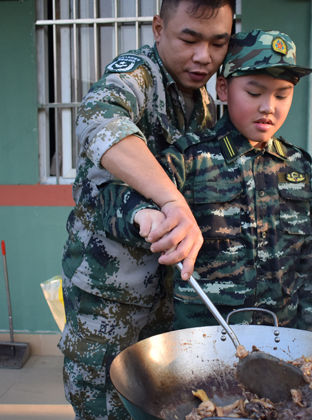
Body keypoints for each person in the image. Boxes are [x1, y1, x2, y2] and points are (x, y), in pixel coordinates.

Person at [59, 0, 234, 419]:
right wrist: (172, 200)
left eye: (218, 43)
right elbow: (98, 119)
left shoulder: (204, 105)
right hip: (109, 298)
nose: (203, 56)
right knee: (106, 408)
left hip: (167, 295)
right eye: (189, 38)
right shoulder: (137, 73)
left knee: (159, 406)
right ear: (158, 28)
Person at [98, 29, 312, 333]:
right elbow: (111, 198)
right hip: (205, 341)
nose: (268, 107)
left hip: (281, 339)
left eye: (282, 94)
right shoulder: (191, 158)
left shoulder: (296, 165)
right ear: (223, 88)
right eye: (254, 92)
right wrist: (142, 214)